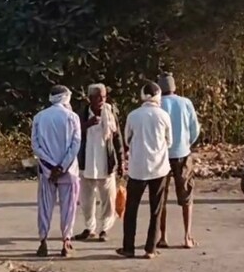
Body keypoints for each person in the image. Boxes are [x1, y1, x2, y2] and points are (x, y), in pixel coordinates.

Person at [118, 82, 172, 259]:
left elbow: (127, 139)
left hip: (137, 168)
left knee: (131, 209)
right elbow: (169, 141)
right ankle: (150, 248)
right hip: (159, 167)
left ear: (142, 95)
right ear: (158, 96)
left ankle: (128, 247)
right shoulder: (163, 115)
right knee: (156, 209)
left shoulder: (134, 116)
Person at [31, 85, 82, 257]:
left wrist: (51, 166)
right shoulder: (72, 117)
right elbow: (76, 144)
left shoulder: (39, 117)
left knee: (45, 206)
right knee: (69, 207)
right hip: (69, 171)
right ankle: (66, 241)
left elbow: (35, 146)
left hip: (47, 171)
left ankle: (43, 241)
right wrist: (62, 166)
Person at [75, 83, 125, 242]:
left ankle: (104, 229)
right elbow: (73, 133)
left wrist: (121, 161)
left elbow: (117, 138)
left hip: (105, 163)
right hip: (86, 164)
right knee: (86, 200)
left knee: (108, 200)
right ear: (90, 98)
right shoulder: (82, 114)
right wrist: (87, 125)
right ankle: (89, 228)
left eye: (103, 97)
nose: (101, 100)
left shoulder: (110, 113)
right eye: (97, 97)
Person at [158, 73, 201, 249]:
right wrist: (186, 142)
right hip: (183, 154)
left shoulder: (157, 104)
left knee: (161, 197)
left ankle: (163, 237)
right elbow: (195, 129)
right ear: (174, 87)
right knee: (186, 196)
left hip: (162, 156)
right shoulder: (186, 103)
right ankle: (187, 236)